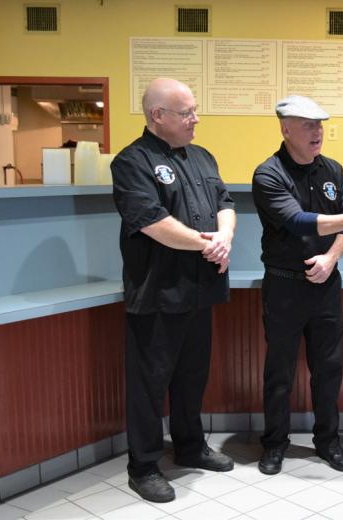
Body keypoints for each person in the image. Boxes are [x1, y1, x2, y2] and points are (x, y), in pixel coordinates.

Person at [252, 95, 343, 475]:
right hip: (284, 286)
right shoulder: (269, 174)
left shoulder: (332, 169)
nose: (317, 132)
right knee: (280, 372)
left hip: (326, 285)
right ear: (286, 129)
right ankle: (274, 443)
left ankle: (328, 441)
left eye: (319, 125)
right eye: (307, 125)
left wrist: (331, 257)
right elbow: (298, 220)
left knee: (329, 369)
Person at [111, 78, 236, 503]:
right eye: (186, 113)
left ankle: (190, 445)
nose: (195, 119)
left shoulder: (202, 156)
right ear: (157, 116)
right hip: (157, 293)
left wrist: (226, 238)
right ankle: (143, 466)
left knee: (192, 376)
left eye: (194, 110)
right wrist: (209, 243)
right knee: (149, 384)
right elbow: (152, 223)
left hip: (201, 290)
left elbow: (226, 203)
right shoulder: (132, 162)